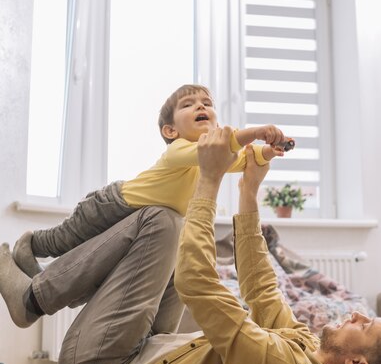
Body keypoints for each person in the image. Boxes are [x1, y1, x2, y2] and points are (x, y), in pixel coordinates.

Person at [1, 128, 381, 364]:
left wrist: (209, 180)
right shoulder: (309, 356)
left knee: (161, 221)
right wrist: (249, 192)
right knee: (173, 223)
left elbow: (198, 284)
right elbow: (261, 290)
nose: (358, 315)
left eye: (366, 326)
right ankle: (45, 293)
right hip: (145, 356)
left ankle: (34, 300)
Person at [12, 83, 292, 278]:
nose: (200, 106)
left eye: (206, 103)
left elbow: (242, 158)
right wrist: (255, 131)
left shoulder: (214, 158)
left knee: (97, 256)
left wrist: (268, 150)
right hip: (114, 204)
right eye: (188, 104)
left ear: (216, 124)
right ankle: (31, 243)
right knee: (67, 239)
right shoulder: (180, 150)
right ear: (171, 130)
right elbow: (233, 142)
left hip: (141, 220)